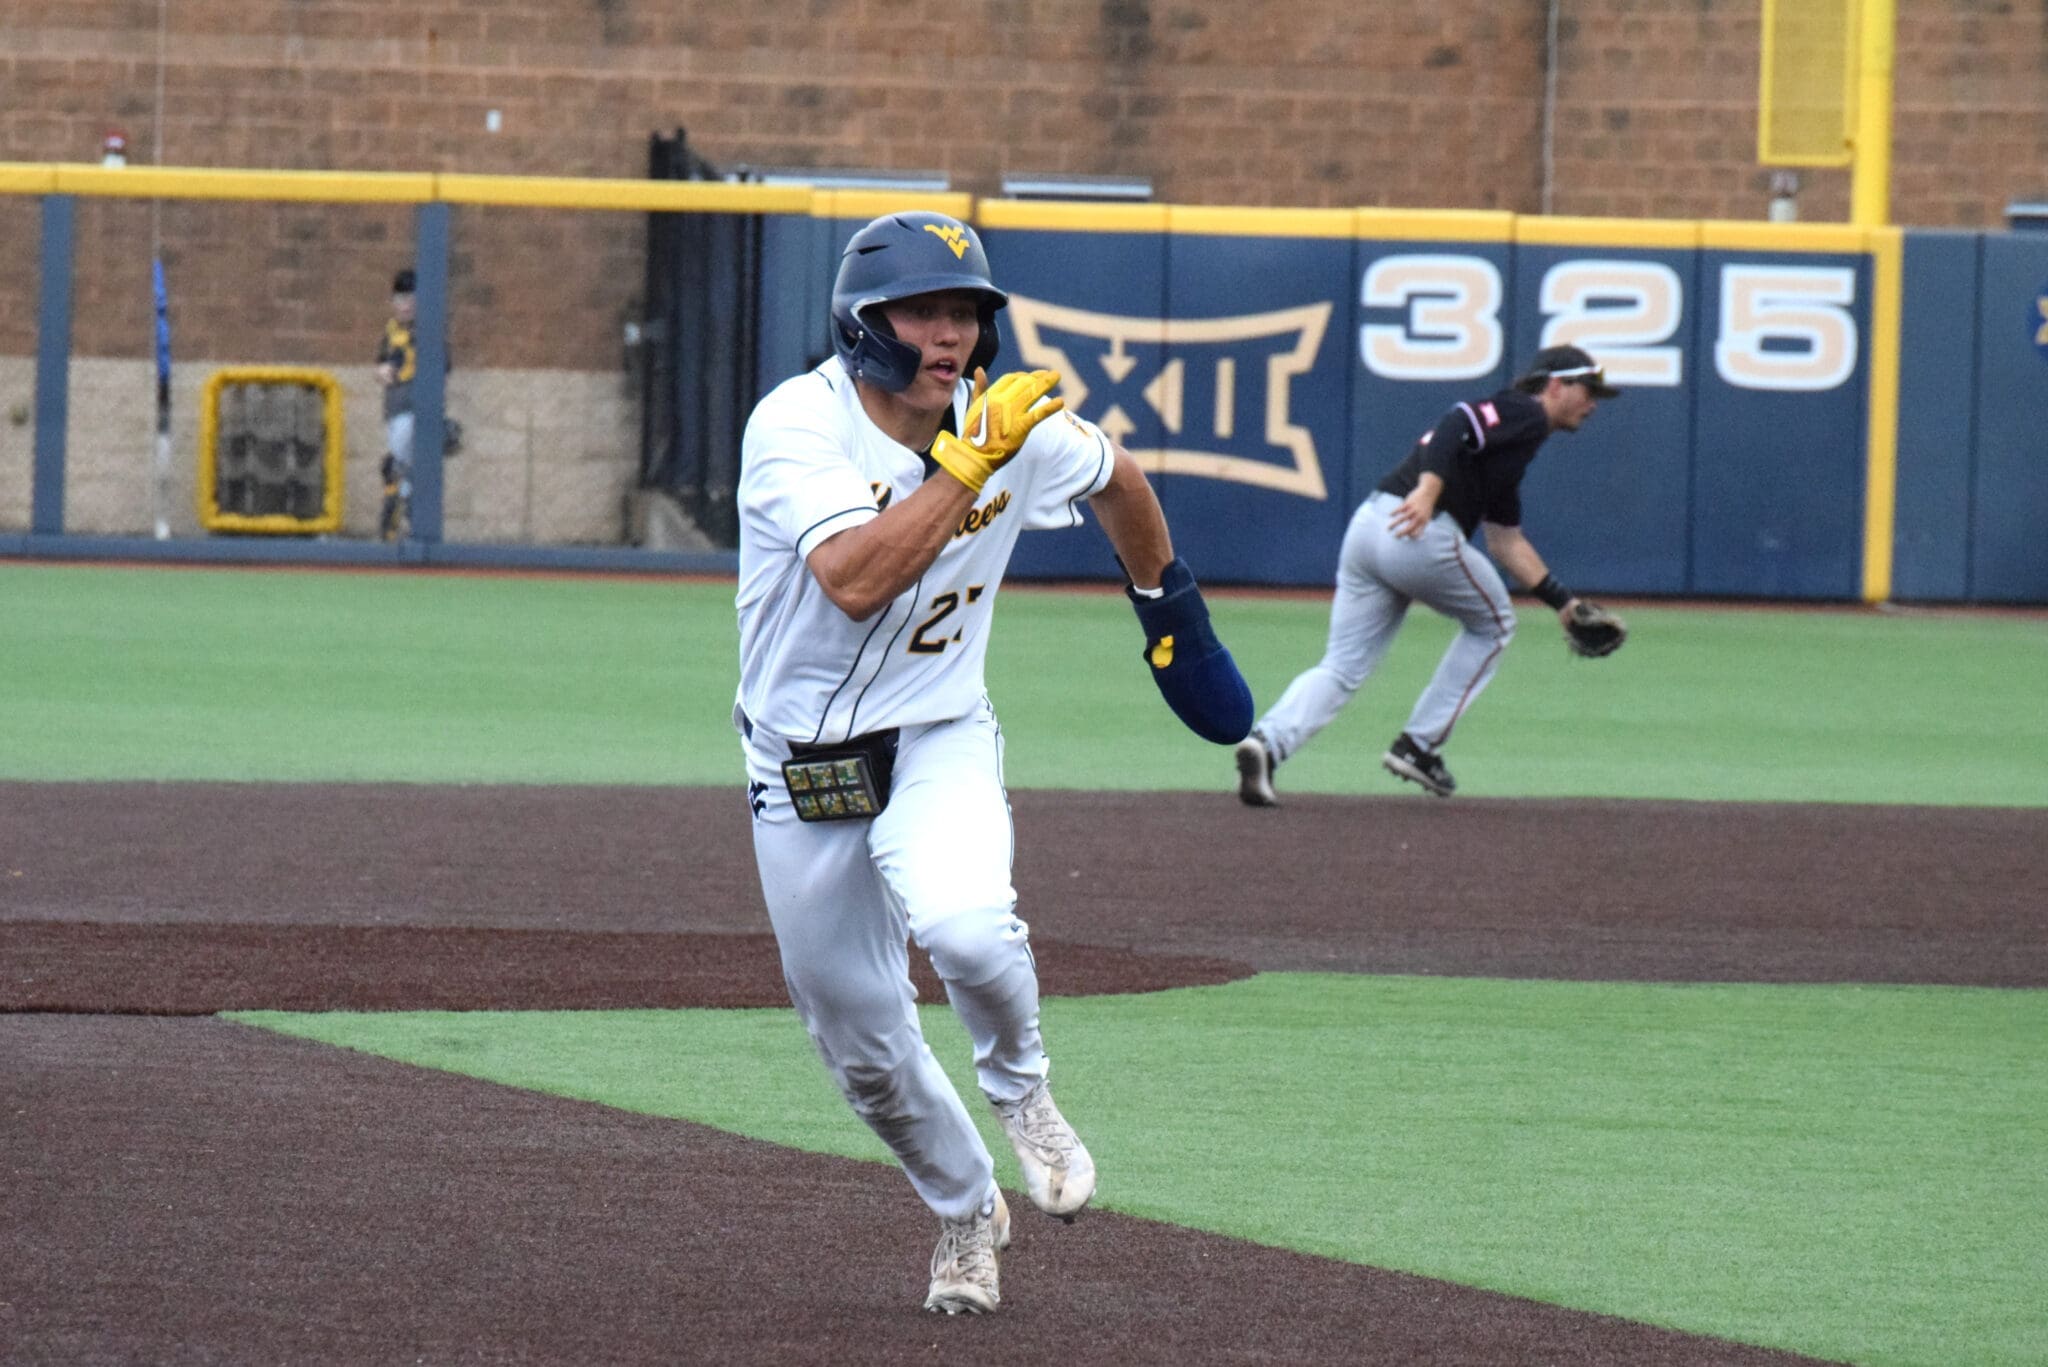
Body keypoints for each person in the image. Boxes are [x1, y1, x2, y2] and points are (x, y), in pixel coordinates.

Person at [733, 210, 1250, 1315]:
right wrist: (969, 464)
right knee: (860, 1043)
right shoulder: (796, 425)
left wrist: (1168, 610)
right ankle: (964, 1207)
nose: (950, 334)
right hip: (800, 761)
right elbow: (856, 579)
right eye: (923, 310)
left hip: (936, 734)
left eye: (966, 311)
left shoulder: (1007, 422)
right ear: (864, 322)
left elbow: (1118, 479)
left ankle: (1023, 1094)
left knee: (966, 923)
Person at [1233, 343, 1620, 805]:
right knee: (1495, 624)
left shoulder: (1510, 454)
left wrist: (1564, 604)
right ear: (1556, 385)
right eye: (1587, 389)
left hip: (1370, 527)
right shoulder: (1527, 413)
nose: (1593, 403)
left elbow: (1506, 542)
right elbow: (1458, 419)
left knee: (1341, 665)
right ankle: (1418, 746)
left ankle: (1268, 743)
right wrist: (1429, 489)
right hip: (1417, 530)